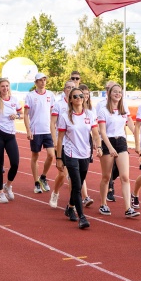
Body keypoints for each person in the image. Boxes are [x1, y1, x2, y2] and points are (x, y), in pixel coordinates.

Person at [56, 87, 102, 229]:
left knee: (80, 182)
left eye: (81, 96)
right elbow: (60, 139)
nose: (79, 98)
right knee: (76, 185)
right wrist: (59, 157)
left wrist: (98, 146)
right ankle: (81, 217)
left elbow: (95, 133)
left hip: (85, 153)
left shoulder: (89, 114)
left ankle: (70, 207)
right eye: (75, 96)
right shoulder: (65, 116)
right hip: (70, 153)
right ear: (70, 99)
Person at [97, 83, 139, 218]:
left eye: (119, 92)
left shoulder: (123, 109)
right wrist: (109, 147)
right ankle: (103, 204)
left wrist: (137, 136)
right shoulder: (103, 110)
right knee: (106, 176)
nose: (117, 94)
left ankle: (128, 208)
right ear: (109, 93)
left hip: (121, 141)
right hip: (108, 142)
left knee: (125, 176)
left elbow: (130, 123)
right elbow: (102, 131)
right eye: (115, 91)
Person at [24, 73, 57, 194]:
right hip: (36, 131)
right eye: (40, 80)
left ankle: (43, 177)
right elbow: (26, 114)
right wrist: (28, 130)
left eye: (44, 79)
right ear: (36, 82)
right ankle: (36, 182)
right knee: (35, 156)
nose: (43, 82)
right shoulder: (30, 96)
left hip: (48, 130)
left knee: (51, 155)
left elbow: (53, 113)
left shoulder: (50, 95)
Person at [48, 80, 76, 208]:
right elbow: (53, 124)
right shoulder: (58, 105)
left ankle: (72, 203)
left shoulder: (79, 104)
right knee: (63, 174)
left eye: (73, 88)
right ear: (64, 90)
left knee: (73, 175)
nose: (70, 89)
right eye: (68, 87)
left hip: (76, 145)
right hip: (62, 143)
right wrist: (55, 141)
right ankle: (55, 192)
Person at [97, 80, 119, 202]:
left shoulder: (121, 104)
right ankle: (109, 190)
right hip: (105, 139)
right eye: (108, 88)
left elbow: (125, 121)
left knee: (120, 169)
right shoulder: (101, 105)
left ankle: (111, 182)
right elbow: (96, 124)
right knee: (108, 169)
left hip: (119, 140)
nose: (109, 90)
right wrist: (98, 142)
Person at [79, 84, 95, 207]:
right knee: (74, 172)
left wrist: (96, 142)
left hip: (86, 142)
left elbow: (95, 129)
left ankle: (78, 196)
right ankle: (84, 196)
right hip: (72, 144)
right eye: (83, 94)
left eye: (87, 94)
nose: (85, 96)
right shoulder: (72, 110)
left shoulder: (91, 111)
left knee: (82, 171)